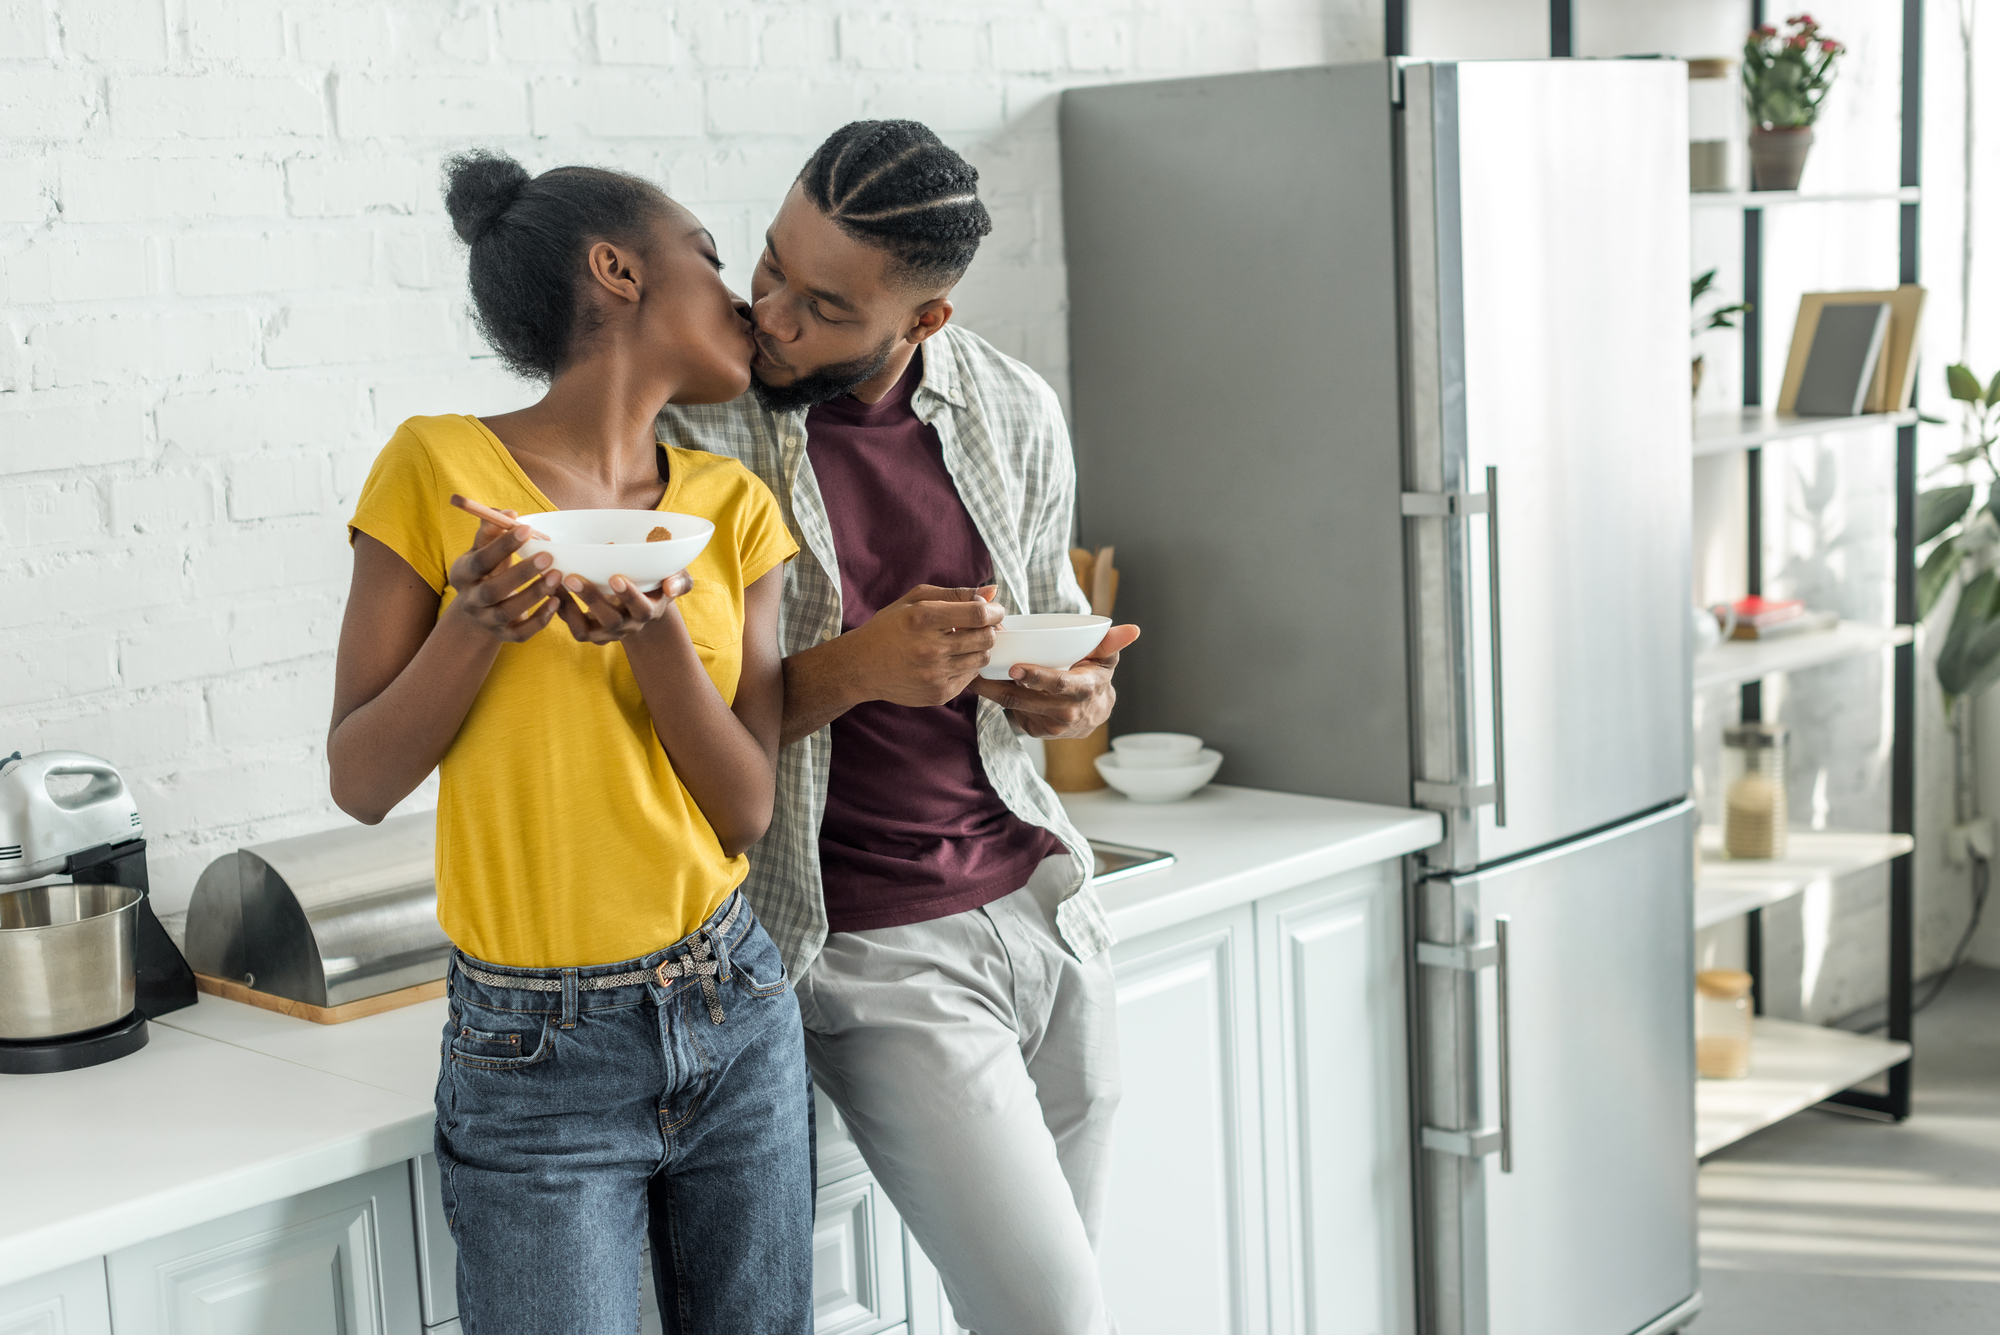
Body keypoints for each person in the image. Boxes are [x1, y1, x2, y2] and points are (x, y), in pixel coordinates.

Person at [658, 120, 1139, 1335]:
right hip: (871, 943)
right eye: (768, 263)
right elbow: (667, 733)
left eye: (821, 305)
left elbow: (1060, 630)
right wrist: (857, 670)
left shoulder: (1011, 410)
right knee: (1055, 1320)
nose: (768, 314)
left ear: (923, 320)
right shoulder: (694, 431)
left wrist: (1075, 694)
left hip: (1045, 903)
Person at [328, 150, 810, 1335]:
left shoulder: (730, 507)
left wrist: (654, 650)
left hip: (733, 1002)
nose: (740, 296)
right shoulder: (438, 471)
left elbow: (744, 811)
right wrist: (476, 624)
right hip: (530, 1051)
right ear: (616, 269)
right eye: (706, 252)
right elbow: (360, 780)